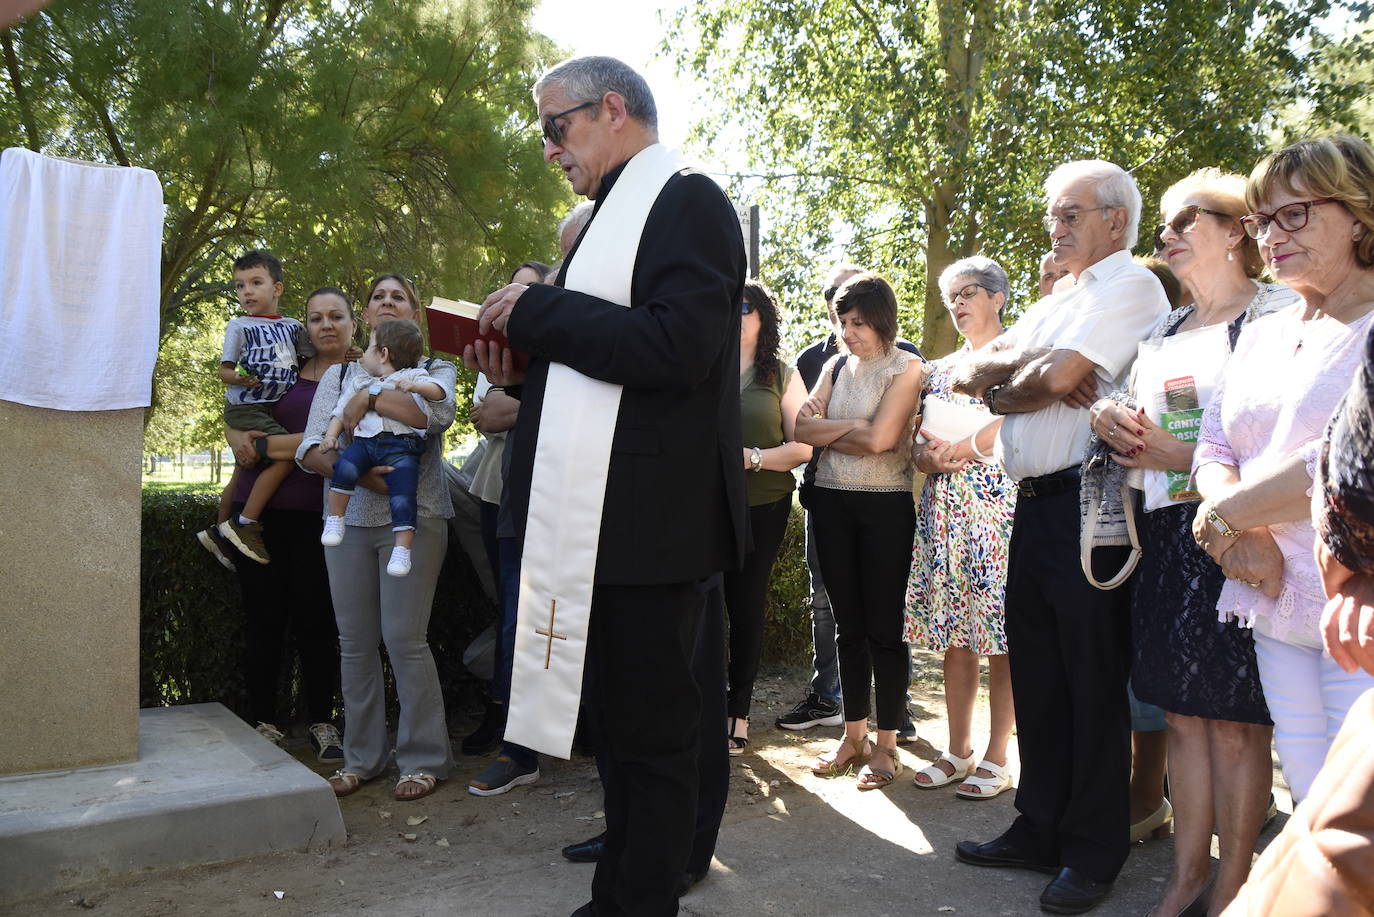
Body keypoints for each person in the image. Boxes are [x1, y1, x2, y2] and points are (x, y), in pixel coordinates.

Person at [468, 56, 747, 916]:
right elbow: (602, 359)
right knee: (621, 736)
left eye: (557, 126)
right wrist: (516, 361)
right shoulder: (603, 218)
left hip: (652, 523)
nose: (550, 149)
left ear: (612, 109)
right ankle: (618, 890)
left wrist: (537, 307)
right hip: (599, 517)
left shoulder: (690, 199)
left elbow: (678, 347)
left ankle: (642, 900)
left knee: (658, 738)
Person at [949, 159, 1169, 914]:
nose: (1057, 228)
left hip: (1092, 501)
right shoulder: (1064, 296)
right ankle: (1037, 825)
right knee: (1040, 672)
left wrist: (1025, 379)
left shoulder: (1134, 284)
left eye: (1071, 214)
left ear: (1115, 219)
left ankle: (1093, 849)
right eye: (1053, 215)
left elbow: (1058, 373)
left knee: (1091, 678)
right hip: (1036, 503)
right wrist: (1024, 376)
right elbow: (984, 371)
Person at [1093, 168, 1297, 916]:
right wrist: (1108, 419)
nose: (1168, 235)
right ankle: (1184, 879)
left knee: (1238, 722)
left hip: (1243, 532)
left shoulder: (1280, 316)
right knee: (1182, 713)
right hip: (1166, 534)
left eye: (1185, 221)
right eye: (1165, 226)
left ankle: (1234, 884)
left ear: (1238, 228)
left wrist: (1183, 460)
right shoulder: (1164, 330)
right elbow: (1126, 408)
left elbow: (1289, 443)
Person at [1191, 134, 1374, 807]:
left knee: (1359, 813)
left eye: (1293, 214)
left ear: (1359, 212)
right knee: (1309, 797)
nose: (1271, 235)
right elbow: (1213, 447)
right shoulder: (1263, 328)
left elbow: (1341, 455)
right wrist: (1241, 533)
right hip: (1269, 590)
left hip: (1357, 601)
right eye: (1261, 220)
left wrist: (1226, 517)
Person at [298, 273, 458, 802]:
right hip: (347, 523)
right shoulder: (338, 372)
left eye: (399, 297)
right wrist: (358, 470)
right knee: (354, 643)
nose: (387, 303)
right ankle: (361, 758)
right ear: (367, 316)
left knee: (404, 640)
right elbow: (311, 448)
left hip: (415, 517)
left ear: (414, 313)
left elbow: (426, 418)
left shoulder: (437, 369)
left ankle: (422, 759)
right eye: (378, 298)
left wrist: (363, 402)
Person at [775, 265, 923, 744]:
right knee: (847, 629)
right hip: (832, 506)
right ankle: (852, 736)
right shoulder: (834, 366)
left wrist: (836, 427)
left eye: (858, 322)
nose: (848, 332)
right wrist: (855, 423)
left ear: (881, 320)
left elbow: (883, 440)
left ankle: (887, 745)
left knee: (884, 629)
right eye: (843, 322)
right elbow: (800, 430)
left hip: (886, 509)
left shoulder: (907, 367)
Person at [219, 287, 355, 761]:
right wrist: (237, 433)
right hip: (262, 517)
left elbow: (341, 448)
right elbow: (242, 414)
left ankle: (323, 721)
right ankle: (264, 721)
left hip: (324, 519)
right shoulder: (282, 375)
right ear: (305, 328)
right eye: (316, 318)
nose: (326, 325)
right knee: (263, 622)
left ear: (351, 324)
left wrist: (271, 445)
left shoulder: (364, 377)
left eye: (336, 316)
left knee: (317, 621)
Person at [905, 256, 1016, 800]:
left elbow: (1024, 428)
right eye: (952, 296)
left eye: (969, 291)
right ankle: (957, 750)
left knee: (1002, 637)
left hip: (1002, 510)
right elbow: (916, 443)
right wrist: (925, 460)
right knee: (955, 633)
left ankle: (998, 756)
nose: (959, 303)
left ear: (998, 297)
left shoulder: (1023, 355)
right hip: (946, 508)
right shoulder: (938, 369)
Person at [462, 258, 550, 756]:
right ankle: (504, 718)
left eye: (529, 293)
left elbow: (519, 410)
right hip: (502, 493)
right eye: (509, 292)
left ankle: (539, 732)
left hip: (552, 495)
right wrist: (524, 408)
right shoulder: (497, 353)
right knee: (511, 610)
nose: (514, 303)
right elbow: (486, 414)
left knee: (542, 615)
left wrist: (521, 408)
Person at [723, 279, 811, 754]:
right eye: (728, 307)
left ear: (763, 318)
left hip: (764, 506)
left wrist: (751, 458)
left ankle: (738, 713)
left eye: (745, 308)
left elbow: (802, 446)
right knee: (702, 609)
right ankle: (702, 709)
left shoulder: (781, 374)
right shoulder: (703, 368)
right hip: (704, 507)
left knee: (746, 607)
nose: (735, 316)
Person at [319, 319, 446, 577]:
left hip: (402, 448)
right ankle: (336, 519)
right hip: (365, 444)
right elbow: (340, 412)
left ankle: (402, 551)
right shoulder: (358, 384)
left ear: (384, 353)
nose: (363, 353)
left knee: (404, 494)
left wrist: (415, 386)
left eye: (369, 347)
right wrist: (331, 437)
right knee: (343, 467)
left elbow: (439, 393)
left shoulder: (411, 375)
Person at [215, 250, 309, 565]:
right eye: (240, 286)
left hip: (268, 407)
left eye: (256, 283)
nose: (247, 291)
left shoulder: (294, 327)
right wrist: (239, 379)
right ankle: (243, 524)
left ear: (277, 288)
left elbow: (311, 356)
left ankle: (218, 533)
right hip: (247, 406)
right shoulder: (239, 326)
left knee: (243, 466)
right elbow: (224, 371)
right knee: (283, 458)